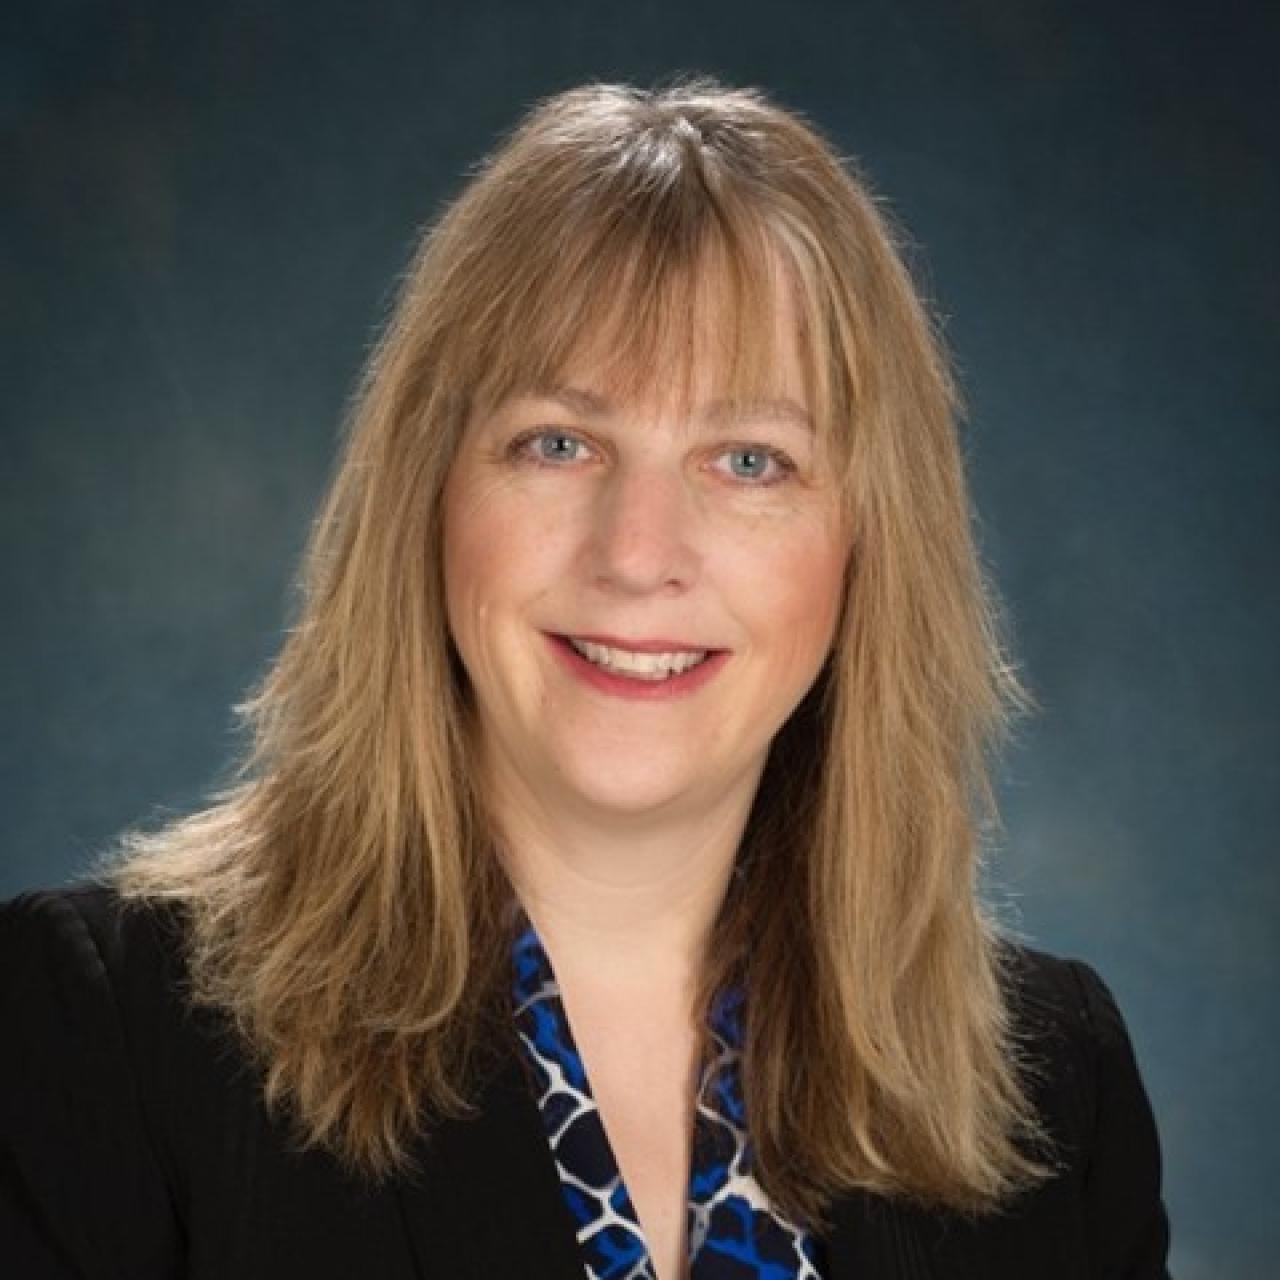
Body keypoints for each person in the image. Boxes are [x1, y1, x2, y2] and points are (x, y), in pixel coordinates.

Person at [0, 77, 1171, 1279]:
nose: (636, 553)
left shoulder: (1052, 1088)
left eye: (749, 459)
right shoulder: (109, 1032)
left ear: (868, 543)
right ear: (430, 493)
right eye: (557, 442)